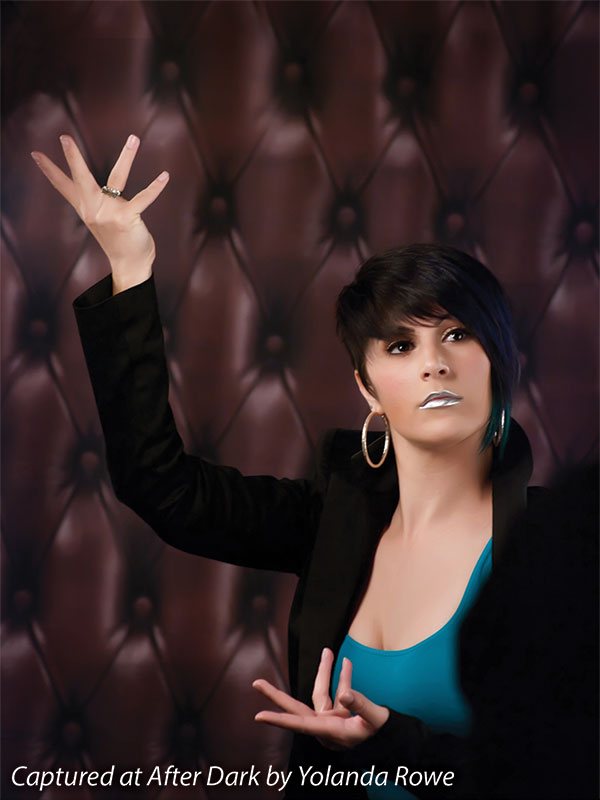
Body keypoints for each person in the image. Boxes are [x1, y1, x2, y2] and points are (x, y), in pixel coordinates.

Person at [31, 134, 537, 799]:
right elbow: (162, 486)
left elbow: (560, 771)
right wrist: (130, 264)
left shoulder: (552, 546)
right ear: (367, 388)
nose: (433, 363)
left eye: (458, 335)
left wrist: (390, 743)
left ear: (497, 359)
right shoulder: (336, 515)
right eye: (400, 344)